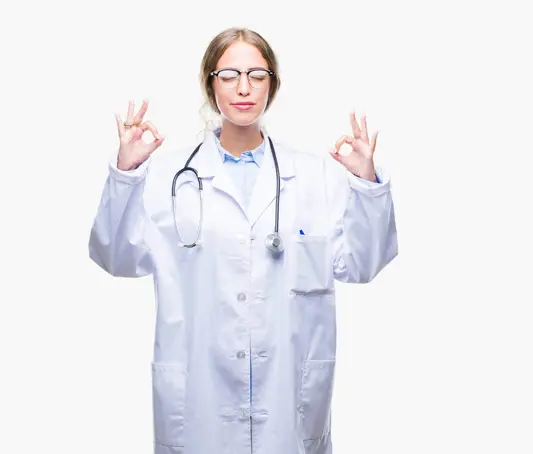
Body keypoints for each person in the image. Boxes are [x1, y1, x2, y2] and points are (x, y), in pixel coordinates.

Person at [89, 26, 398, 454]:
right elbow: (116, 257)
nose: (243, 88)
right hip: (199, 404)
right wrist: (125, 174)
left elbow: (361, 265)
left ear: (272, 84)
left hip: (288, 404)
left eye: (257, 75)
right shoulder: (168, 176)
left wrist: (366, 183)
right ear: (210, 82)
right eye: (229, 75)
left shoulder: (314, 176)